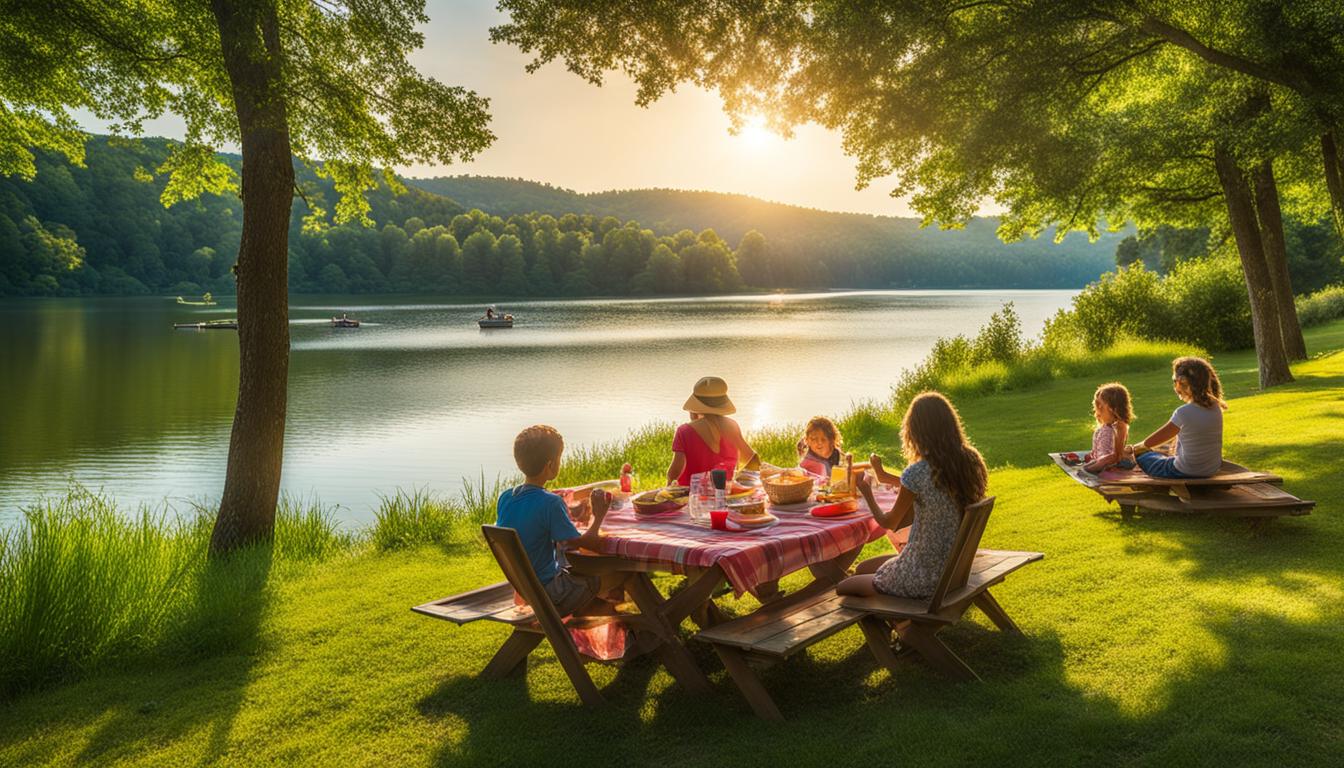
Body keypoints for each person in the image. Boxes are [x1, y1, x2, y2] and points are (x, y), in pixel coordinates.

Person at [837, 392, 988, 599]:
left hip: (923, 575)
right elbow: (930, 487)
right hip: (954, 566)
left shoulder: (918, 471)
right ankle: (892, 611)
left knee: (844, 587)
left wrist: (866, 492)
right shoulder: (970, 461)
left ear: (914, 431)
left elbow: (889, 522)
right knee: (863, 568)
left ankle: (895, 616)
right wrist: (883, 475)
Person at [496, 425, 616, 616]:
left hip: (527, 591)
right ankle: (642, 625)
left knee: (590, 576)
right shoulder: (550, 503)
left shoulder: (505, 498)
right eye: (559, 458)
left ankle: (603, 620)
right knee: (618, 574)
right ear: (550, 465)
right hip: (552, 594)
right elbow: (589, 543)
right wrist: (599, 515)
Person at [1127, 356, 1226, 479]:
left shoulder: (1183, 413)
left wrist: (1132, 449)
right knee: (1169, 446)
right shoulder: (1216, 407)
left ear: (1179, 383)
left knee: (1143, 455)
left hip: (1184, 470)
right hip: (1210, 469)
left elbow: (1148, 443)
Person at [666, 376, 760, 486]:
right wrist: (738, 482)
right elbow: (753, 460)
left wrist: (668, 485)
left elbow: (675, 471)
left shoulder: (684, 431)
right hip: (726, 493)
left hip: (691, 493)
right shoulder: (732, 426)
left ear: (695, 407)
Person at [1083, 382, 1135, 473]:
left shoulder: (1119, 427)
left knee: (1087, 469)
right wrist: (1092, 455)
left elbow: (1116, 456)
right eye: (1096, 407)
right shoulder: (1105, 427)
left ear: (1113, 409)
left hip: (1111, 462)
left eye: (1100, 407)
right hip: (1102, 459)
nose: (1097, 412)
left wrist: (1095, 466)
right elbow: (1100, 447)